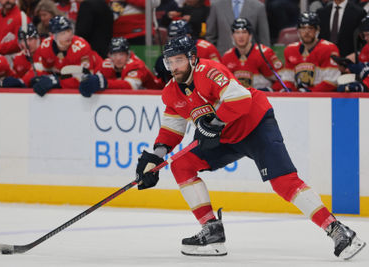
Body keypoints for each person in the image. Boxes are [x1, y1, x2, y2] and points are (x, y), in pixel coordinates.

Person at [134, 34, 366, 259]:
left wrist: (213, 124)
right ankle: (212, 231)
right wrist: (155, 158)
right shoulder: (171, 92)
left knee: (284, 183)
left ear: (192, 58)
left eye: (179, 60)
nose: (174, 66)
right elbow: (171, 130)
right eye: (170, 61)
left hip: (255, 125)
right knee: (182, 165)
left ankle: (337, 230)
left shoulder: (209, 71)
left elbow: (240, 98)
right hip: (225, 138)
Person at [79, 37, 163, 97]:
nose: (118, 59)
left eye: (121, 54)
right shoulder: (106, 64)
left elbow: (130, 86)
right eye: (114, 54)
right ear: (109, 55)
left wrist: (105, 83)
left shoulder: (136, 64)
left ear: (128, 54)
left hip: (156, 95)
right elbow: (95, 80)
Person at [32, 15, 94, 96]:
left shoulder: (82, 47)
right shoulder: (45, 46)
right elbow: (44, 69)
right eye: (62, 33)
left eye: (69, 31)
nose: (68, 35)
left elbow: (86, 79)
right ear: (52, 35)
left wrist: (58, 82)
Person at [280, 12, 340, 92]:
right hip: (300, 96)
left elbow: (332, 81)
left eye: (310, 28)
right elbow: (287, 78)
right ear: (298, 30)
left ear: (317, 30)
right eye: (303, 28)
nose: (306, 32)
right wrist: (289, 90)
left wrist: (309, 92)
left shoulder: (329, 48)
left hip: (322, 98)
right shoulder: (290, 50)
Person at [221, 18, 283, 91]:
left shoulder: (264, 53)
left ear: (250, 35)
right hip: (240, 98)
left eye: (244, 32)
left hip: (263, 98)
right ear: (232, 36)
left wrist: (270, 90)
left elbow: (282, 79)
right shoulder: (227, 57)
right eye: (237, 32)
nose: (241, 36)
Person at [154, 20, 222, 84]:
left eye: (179, 37)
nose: (175, 42)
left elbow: (219, 72)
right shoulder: (165, 56)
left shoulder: (206, 48)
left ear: (189, 36)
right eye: (172, 38)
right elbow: (160, 83)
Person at [206, 0, 270, 55]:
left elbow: (264, 38)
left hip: (251, 61)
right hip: (223, 59)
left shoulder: (258, 7)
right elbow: (210, 36)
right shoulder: (216, 5)